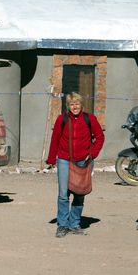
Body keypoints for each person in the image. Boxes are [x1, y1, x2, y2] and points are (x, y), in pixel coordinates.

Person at [46, 92, 105, 238]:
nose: (75, 107)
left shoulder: (89, 119)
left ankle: (74, 224)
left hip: (84, 161)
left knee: (80, 193)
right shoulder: (62, 119)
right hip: (65, 159)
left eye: (77, 104)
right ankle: (62, 225)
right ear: (68, 106)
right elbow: (55, 139)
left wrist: (92, 153)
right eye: (72, 104)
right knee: (63, 194)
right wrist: (51, 159)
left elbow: (99, 137)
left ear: (81, 105)